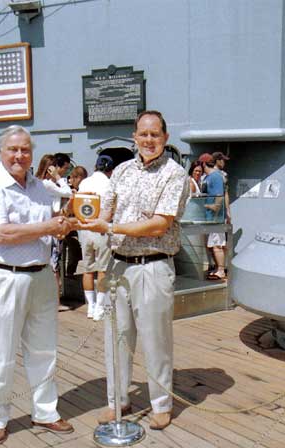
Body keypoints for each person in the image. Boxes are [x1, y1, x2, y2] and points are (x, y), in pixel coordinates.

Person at [80, 110, 189, 430]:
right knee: (117, 338)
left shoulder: (174, 174)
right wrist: (82, 214)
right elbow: (106, 208)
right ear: (134, 136)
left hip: (153, 265)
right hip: (118, 266)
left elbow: (159, 224)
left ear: (165, 138)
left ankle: (161, 404)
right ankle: (117, 400)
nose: (149, 140)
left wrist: (111, 227)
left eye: (155, 134)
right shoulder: (122, 171)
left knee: (156, 340)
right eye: (143, 134)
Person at [0, 125, 75, 445]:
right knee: (2, 351)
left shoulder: (42, 187)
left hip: (41, 274)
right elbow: (1, 234)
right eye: (13, 149)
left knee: (43, 348)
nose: (19, 155)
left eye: (25, 150)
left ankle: (45, 411)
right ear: (1, 152)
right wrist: (48, 226)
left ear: (32, 153)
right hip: (4, 276)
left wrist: (65, 224)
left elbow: (59, 214)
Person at [75, 154, 115, 321]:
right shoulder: (110, 184)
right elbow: (112, 208)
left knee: (88, 268)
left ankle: (90, 306)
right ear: (110, 170)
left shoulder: (85, 182)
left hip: (84, 229)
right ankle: (100, 306)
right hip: (102, 229)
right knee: (103, 269)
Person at [35, 154, 73, 309]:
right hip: (53, 224)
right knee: (54, 265)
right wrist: (58, 177)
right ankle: (55, 302)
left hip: (47, 225)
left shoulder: (38, 183)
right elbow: (69, 193)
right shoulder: (47, 184)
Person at [203, 151, 230, 281]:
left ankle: (221, 270)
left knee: (217, 244)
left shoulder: (216, 177)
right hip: (210, 217)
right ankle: (217, 268)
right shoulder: (209, 177)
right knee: (212, 244)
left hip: (215, 217)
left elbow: (220, 195)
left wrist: (214, 207)